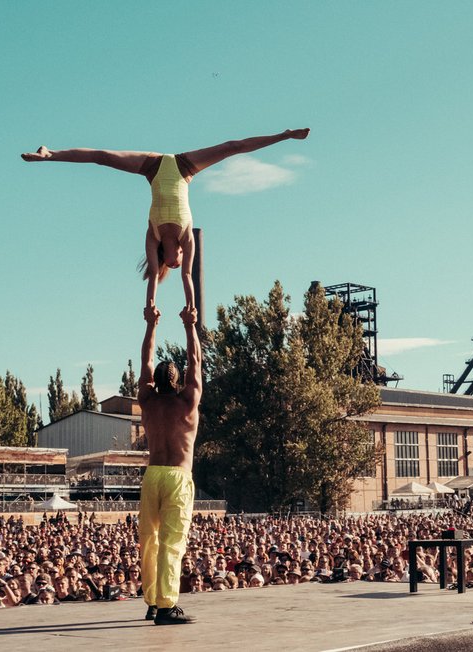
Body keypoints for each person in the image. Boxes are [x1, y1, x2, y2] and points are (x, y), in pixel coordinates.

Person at [21, 130, 310, 309]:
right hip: (184, 168)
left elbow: (154, 280)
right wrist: (191, 307)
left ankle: (49, 155)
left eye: (175, 259)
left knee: (103, 157)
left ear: (165, 257)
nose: (180, 257)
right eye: (180, 257)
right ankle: (285, 136)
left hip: (153, 167)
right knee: (231, 147)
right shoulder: (186, 237)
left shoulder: (154, 235)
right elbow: (188, 277)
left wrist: (150, 307)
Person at [137, 304, 202, 625]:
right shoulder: (187, 402)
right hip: (177, 476)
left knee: (149, 539)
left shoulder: (147, 401)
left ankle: (151, 601)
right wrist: (190, 326)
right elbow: (196, 361)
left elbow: (145, 361)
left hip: (152, 475)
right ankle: (166, 606)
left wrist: (151, 325)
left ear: (154, 381)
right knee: (172, 542)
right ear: (179, 381)